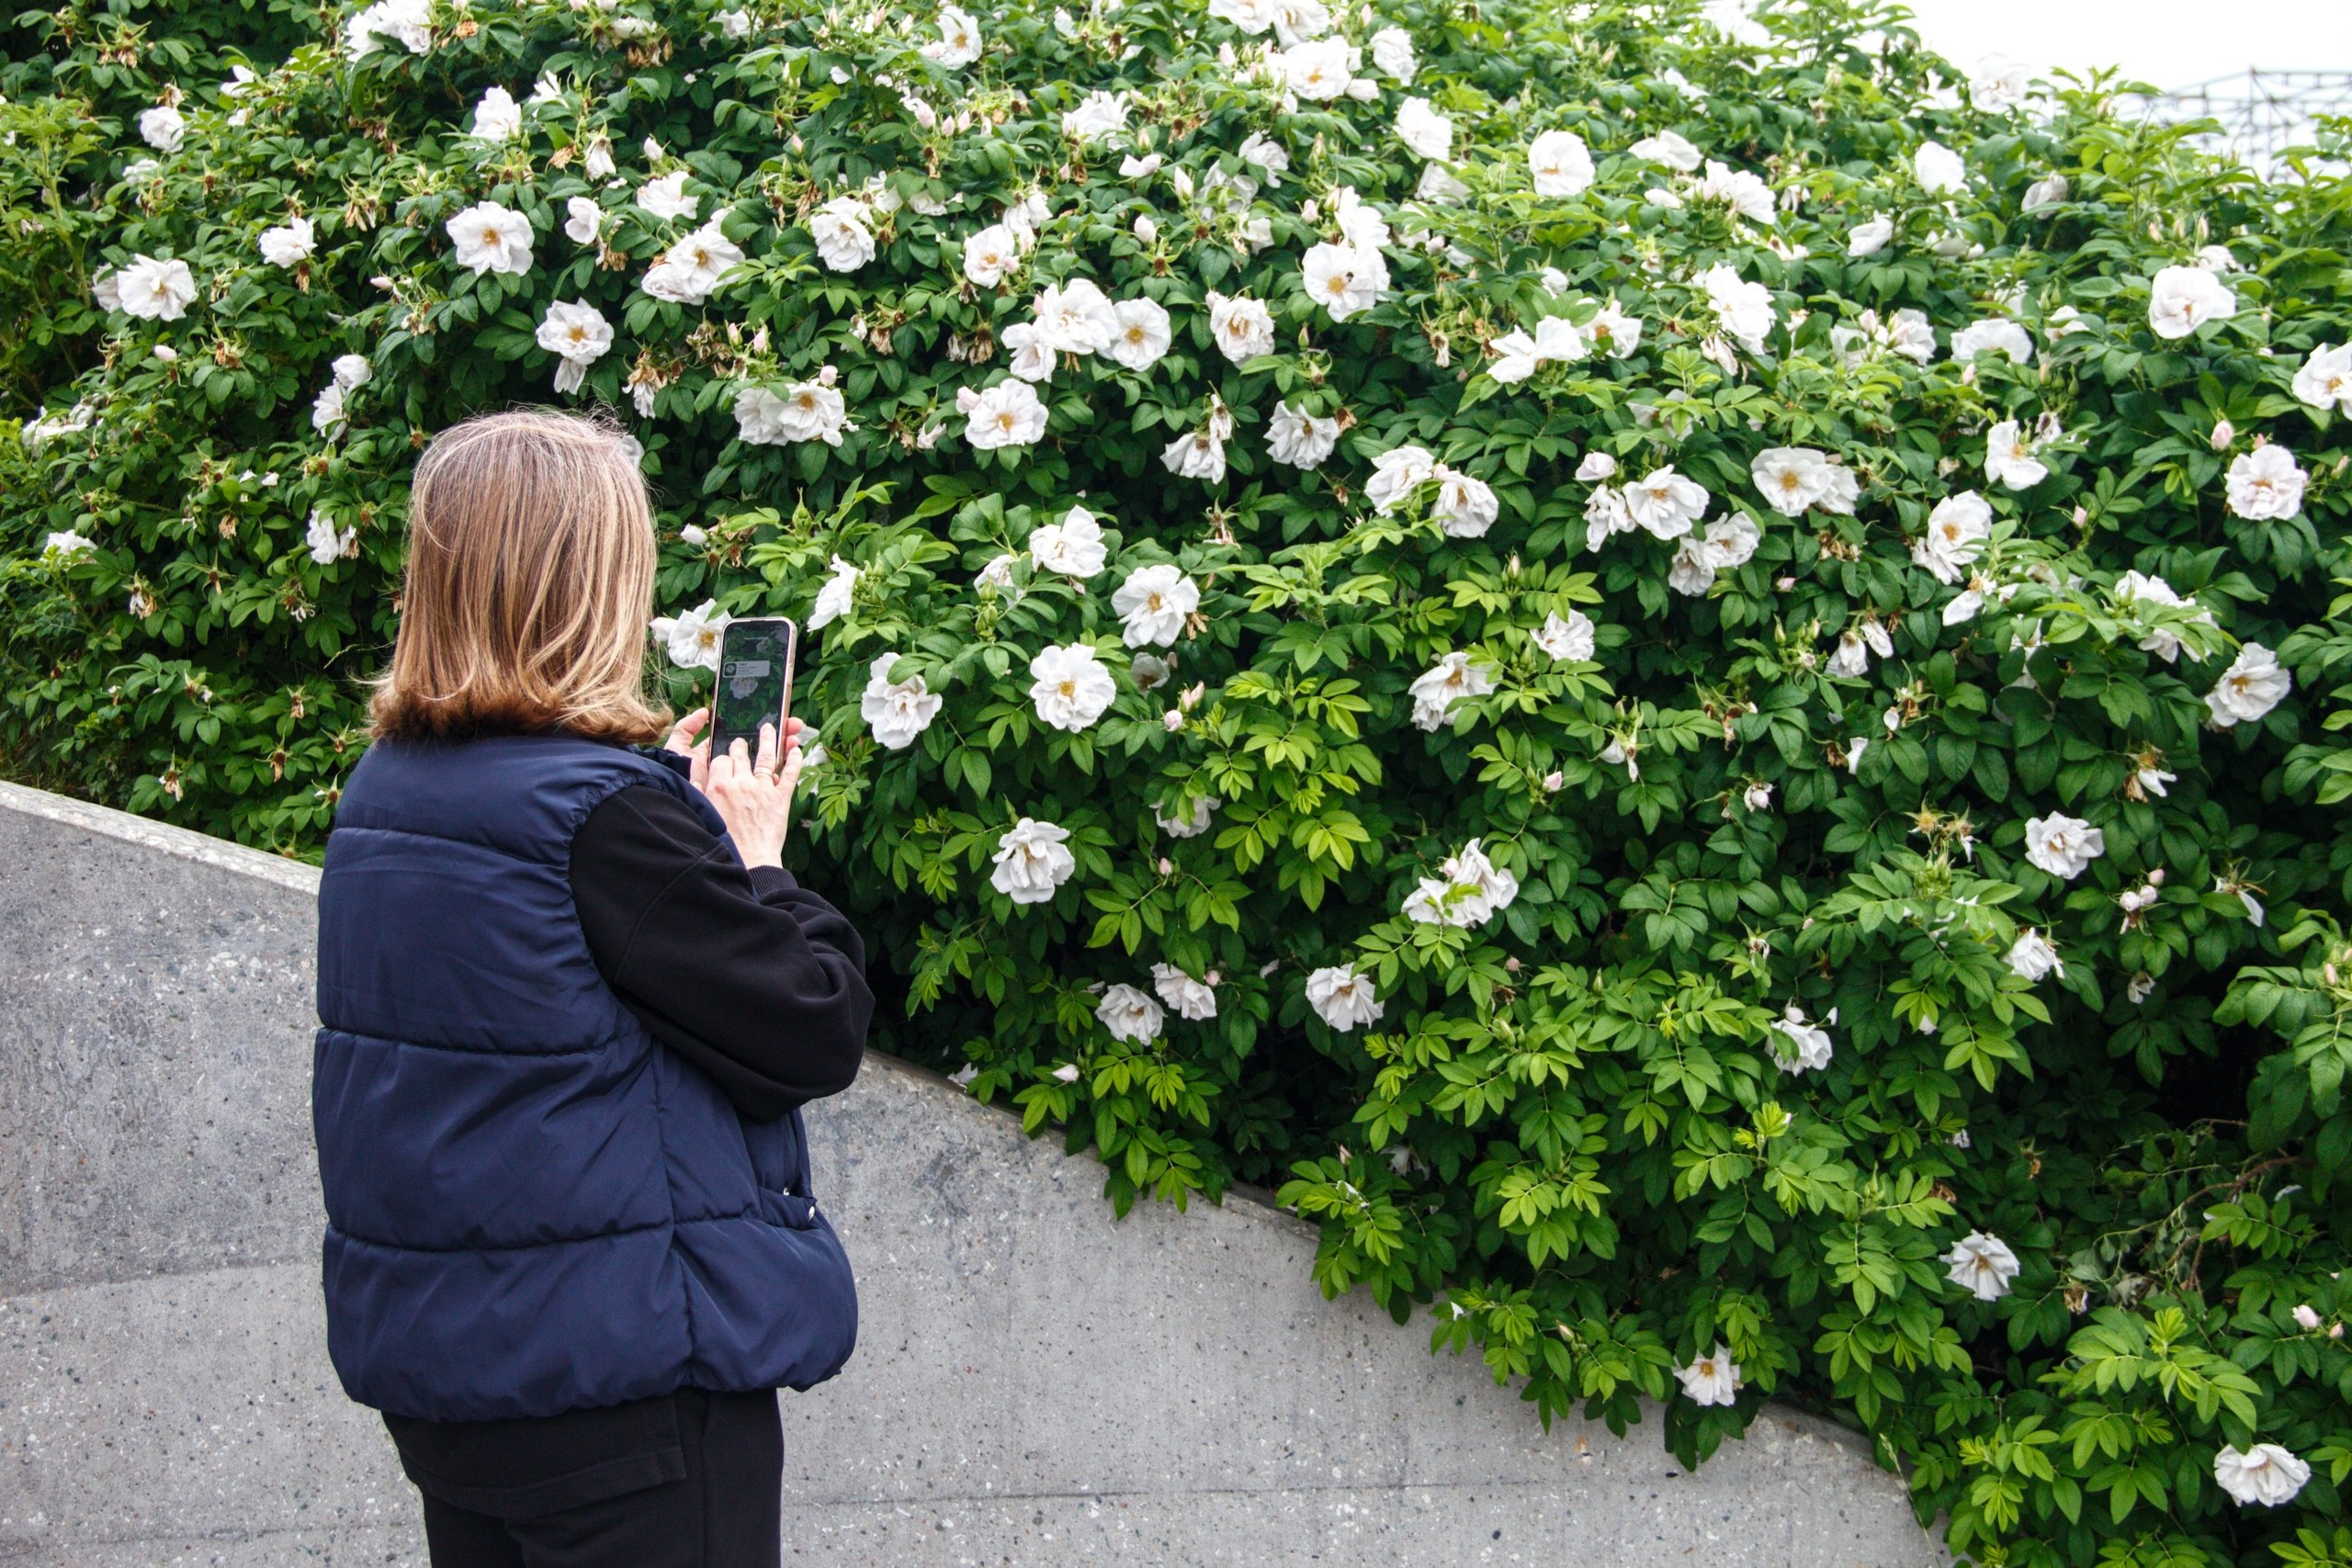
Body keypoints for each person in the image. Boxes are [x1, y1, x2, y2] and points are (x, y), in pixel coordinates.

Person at [311, 409, 871, 1568]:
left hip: (460, 1388)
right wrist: (755, 854)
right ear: (590, 587)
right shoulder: (601, 821)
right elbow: (811, 1027)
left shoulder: (388, 794)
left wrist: (672, 813)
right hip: (624, 1396)